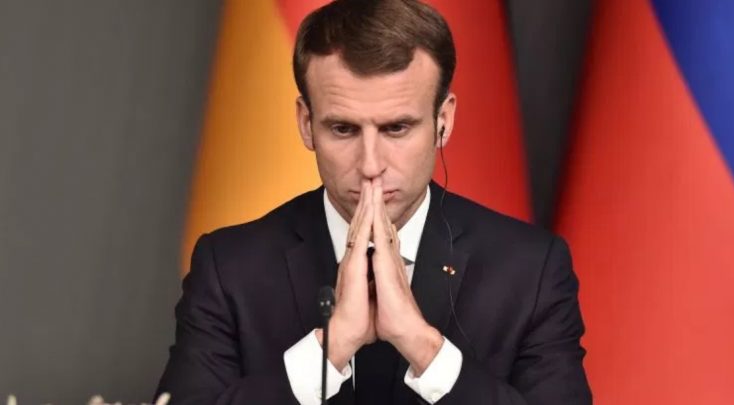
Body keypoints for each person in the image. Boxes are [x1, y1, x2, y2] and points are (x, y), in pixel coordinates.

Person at [156, 0, 591, 404]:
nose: (370, 165)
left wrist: (424, 347)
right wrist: (331, 347)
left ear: (443, 121)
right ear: (306, 123)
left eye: (396, 128)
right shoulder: (229, 267)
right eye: (343, 129)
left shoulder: (530, 269)